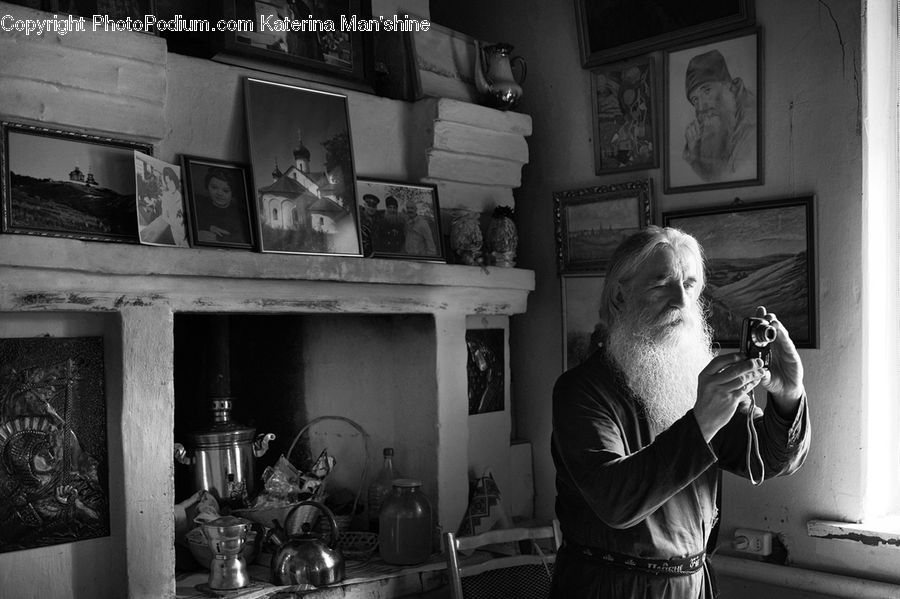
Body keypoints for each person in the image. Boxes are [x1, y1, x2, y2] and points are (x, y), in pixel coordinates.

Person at [550, 226, 810, 598]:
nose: (679, 300)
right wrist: (702, 421)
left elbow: (767, 460)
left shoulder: (696, 378)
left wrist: (787, 398)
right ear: (621, 296)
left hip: (691, 587)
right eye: (661, 284)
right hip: (609, 588)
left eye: (689, 285)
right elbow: (617, 502)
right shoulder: (581, 390)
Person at [682, 49, 756, 182]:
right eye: (695, 99)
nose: (701, 107)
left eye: (707, 91)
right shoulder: (714, 124)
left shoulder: (752, 125)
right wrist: (694, 153)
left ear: (728, 86)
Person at [194, 168, 250, 245]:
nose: (219, 193)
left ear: (233, 192)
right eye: (214, 187)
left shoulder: (240, 213)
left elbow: (242, 238)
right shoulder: (198, 202)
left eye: (226, 190)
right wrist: (209, 227)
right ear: (207, 186)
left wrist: (217, 238)